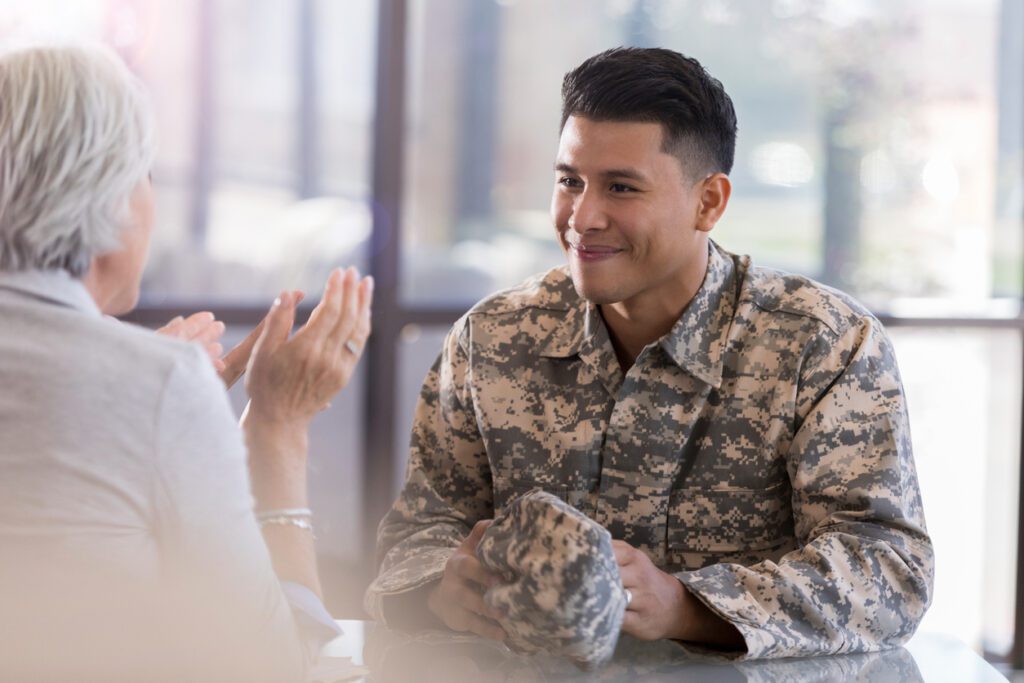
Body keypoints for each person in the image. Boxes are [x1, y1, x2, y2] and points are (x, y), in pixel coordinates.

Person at [366, 46, 934, 659]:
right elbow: (418, 533)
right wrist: (439, 588)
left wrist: (683, 606)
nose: (582, 217)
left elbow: (888, 567)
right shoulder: (491, 339)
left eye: (621, 187)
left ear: (709, 202)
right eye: (569, 181)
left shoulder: (822, 343)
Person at [0, 45, 372, 680]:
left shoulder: (154, 381)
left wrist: (145, 381)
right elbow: (267, 665)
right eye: (146, 176)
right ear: (110, 199)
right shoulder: (157, 385)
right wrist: (275, 426)